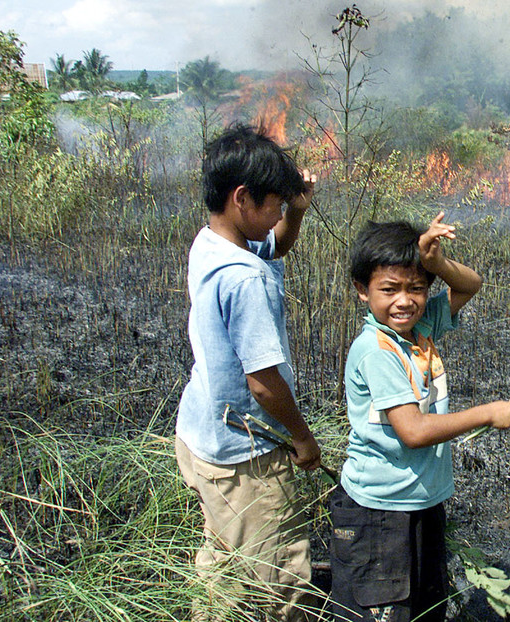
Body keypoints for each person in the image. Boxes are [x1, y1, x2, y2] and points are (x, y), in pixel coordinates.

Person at [329, 213, 510, 622]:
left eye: (416, 288)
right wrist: (486, 414)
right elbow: (413, 431)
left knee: (425, 605)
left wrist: (437, 264)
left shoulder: (421, 326)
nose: (405, 300)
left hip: (420, 500)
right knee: (384, 610)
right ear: (362, 290)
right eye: (389, 289)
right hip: (379, 511)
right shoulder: (378, 350)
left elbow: (470, 284)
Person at [175, 124, 321, 622]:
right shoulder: (245, 280)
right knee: (280, 578)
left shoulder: (212, 244)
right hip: (247, 455)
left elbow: (275, 245)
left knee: (224, 559)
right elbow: (263, 384)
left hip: (202, 438)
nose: (282, 210)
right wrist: (301, 438)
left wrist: (296, 211)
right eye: (276, 202)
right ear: (243, 198)